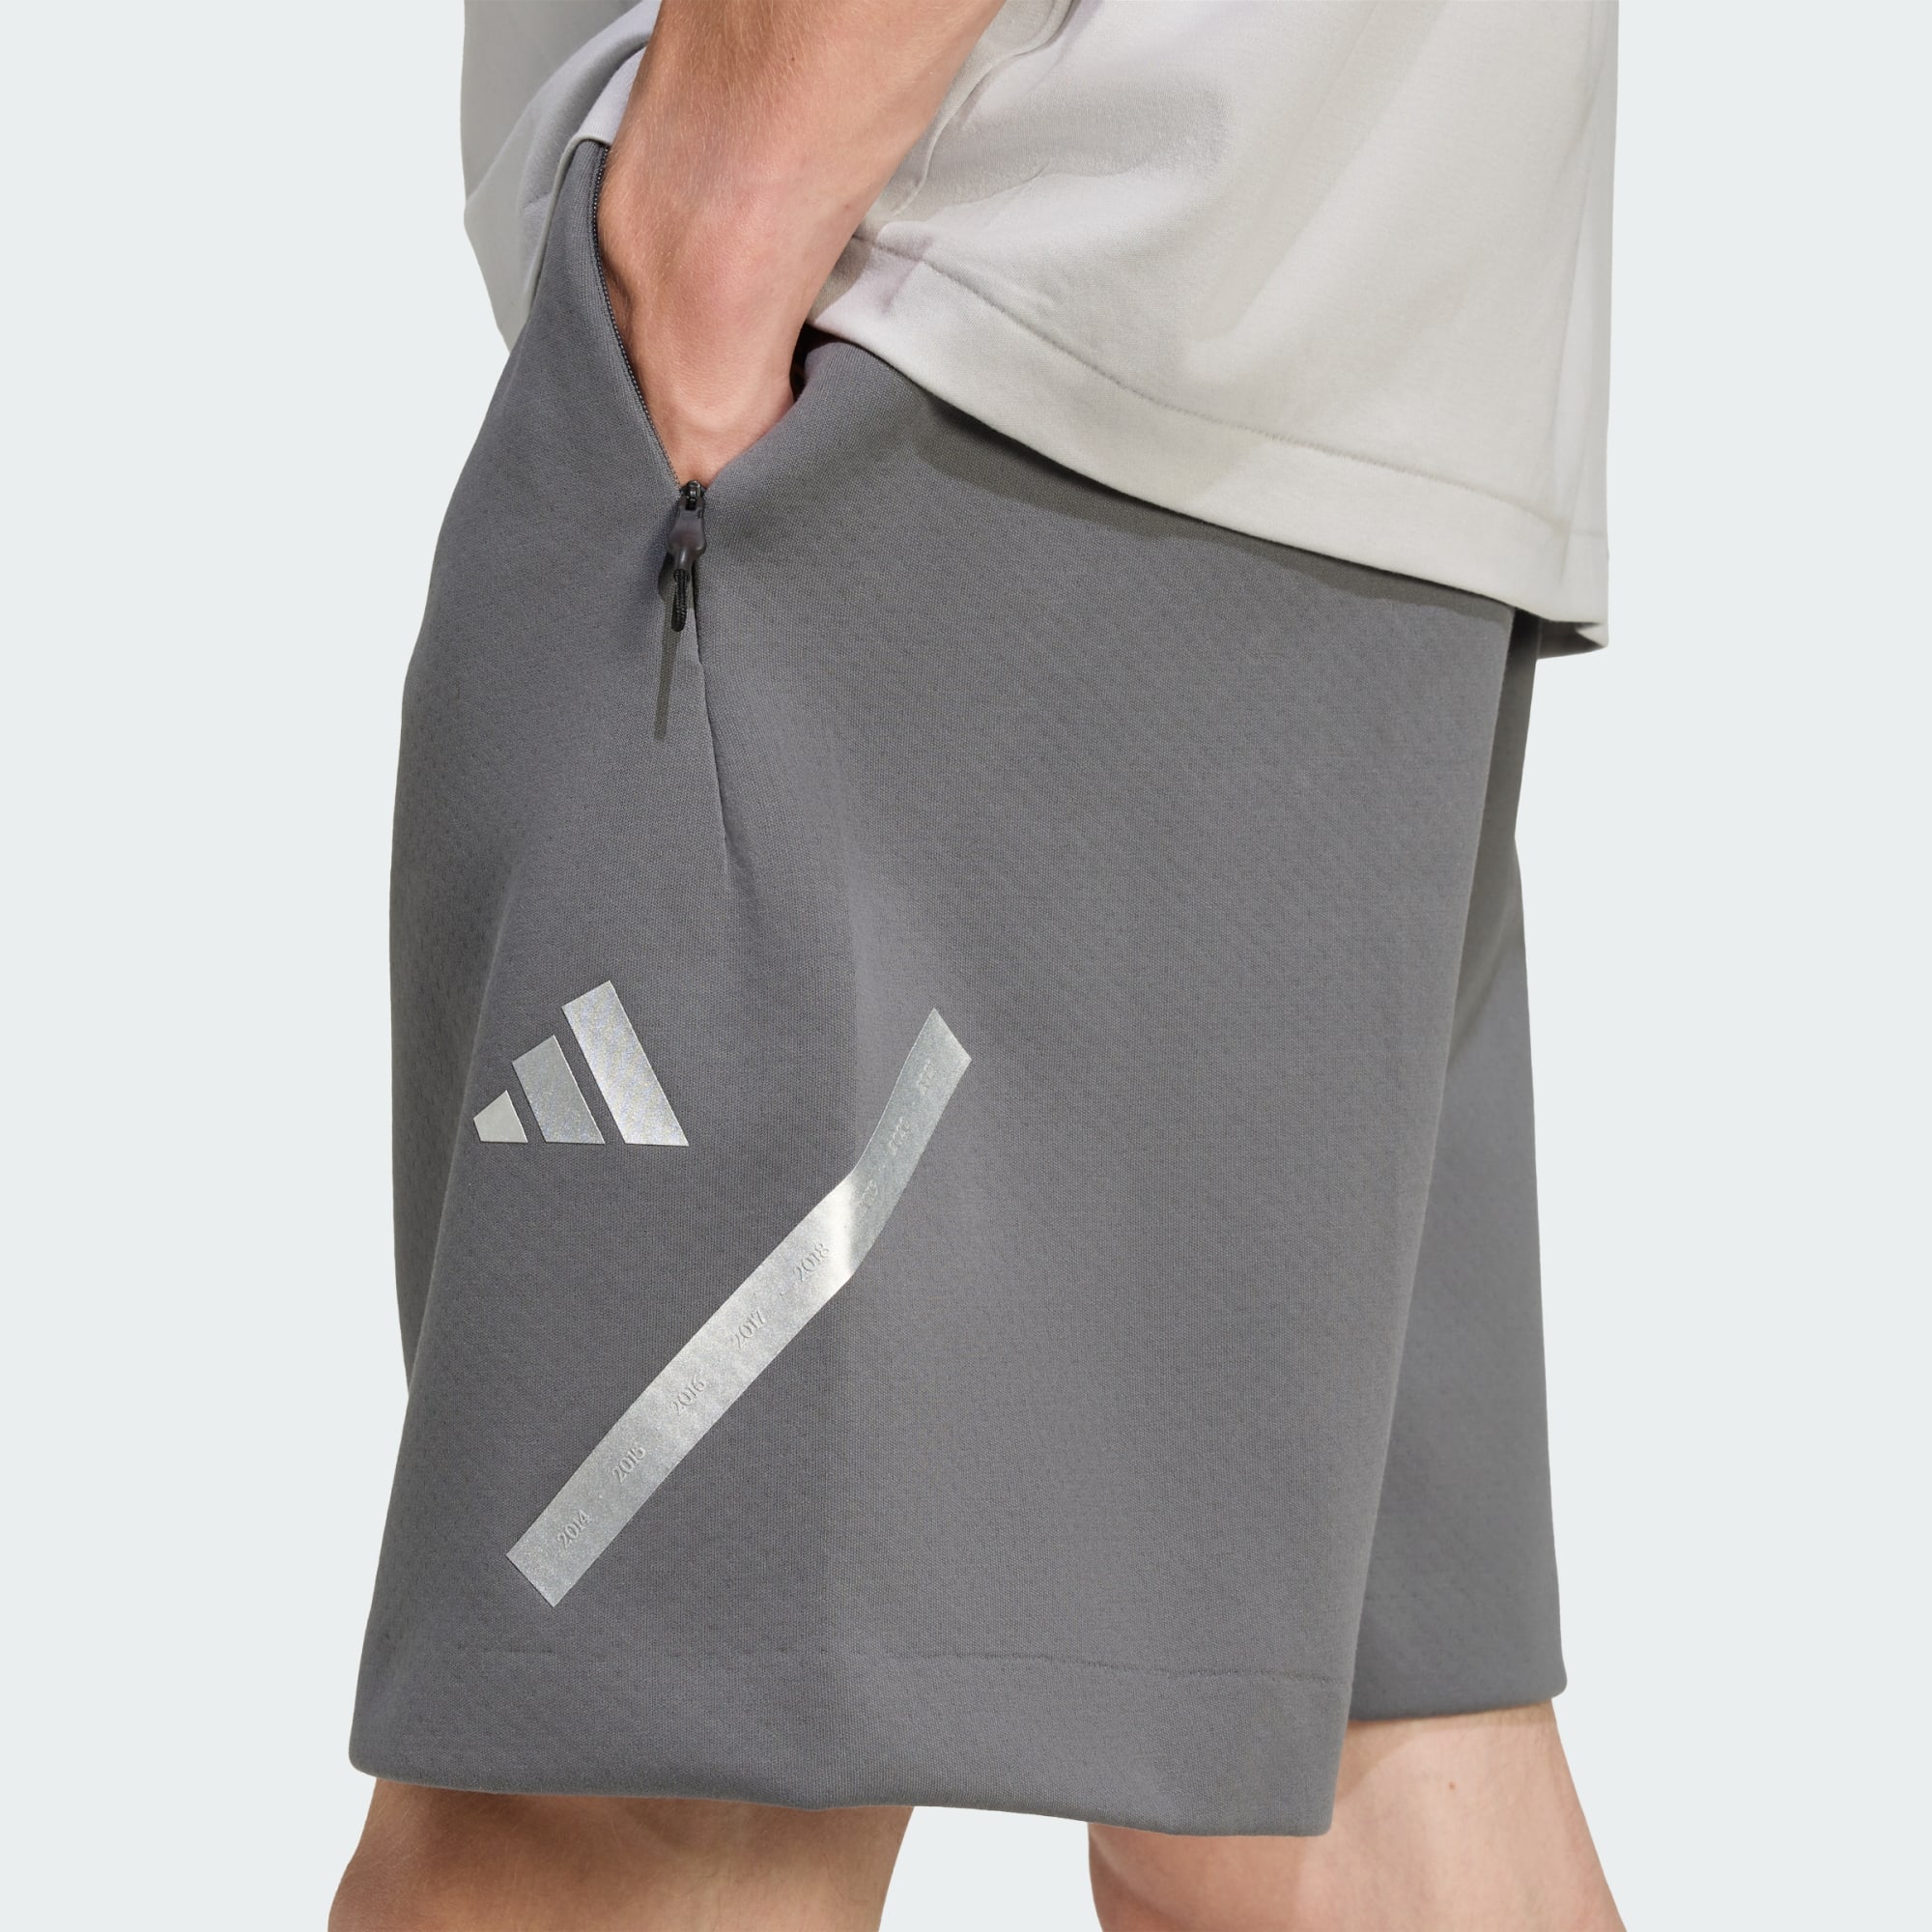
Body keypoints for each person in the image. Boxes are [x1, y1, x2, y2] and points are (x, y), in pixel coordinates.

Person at [332, 2, 1625, 1925]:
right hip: (1314, 375)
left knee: (632, 1815)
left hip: (941, 318)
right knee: (1360, 1822)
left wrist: (719, 214)